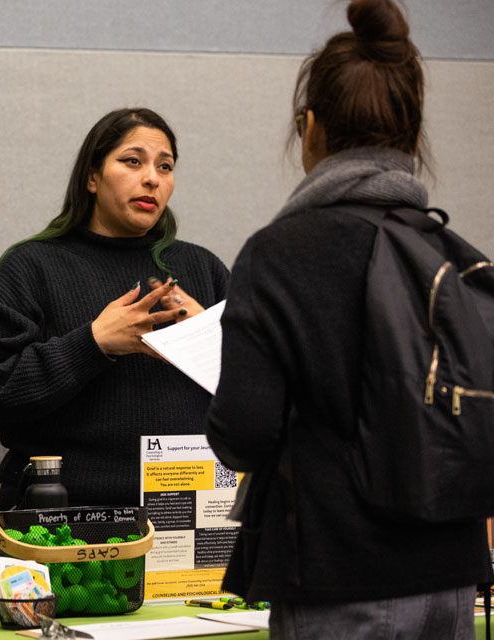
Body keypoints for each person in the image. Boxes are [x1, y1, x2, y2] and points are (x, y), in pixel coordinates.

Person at [204, 1, 492, 637]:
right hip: (454, 577)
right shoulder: (455, 256)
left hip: (337, 577)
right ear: (414, 141)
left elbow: (244, 431)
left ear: (310, 129)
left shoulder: (281, 255)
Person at [0, 107, 229, 510]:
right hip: (62, 519)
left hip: (187, 515)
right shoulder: (32, 265)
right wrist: (94, 343)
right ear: (92, 177)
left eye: (165, 166)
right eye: (132, 161)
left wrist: (210, 338)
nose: (152, 178)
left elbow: (261, 400)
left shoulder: (201, 269)